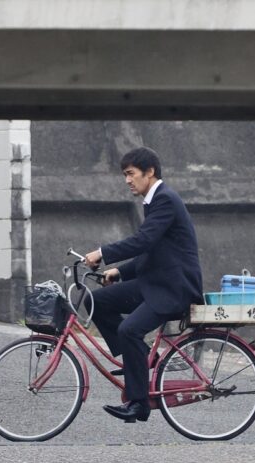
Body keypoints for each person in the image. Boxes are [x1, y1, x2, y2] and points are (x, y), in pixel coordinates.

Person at [84, 146, 203, 423]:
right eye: (125, 175)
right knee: (96, 301)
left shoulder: (165, 200)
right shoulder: (155, 200)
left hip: (174, 288)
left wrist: (102, 253)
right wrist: (119, 272)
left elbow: (143, 242)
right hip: (157, 281)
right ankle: (134, 361)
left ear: (149, 172)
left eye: (131, 174)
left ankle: (138, 404)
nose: (127, 180)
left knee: (129, 330)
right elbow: (152, 253)